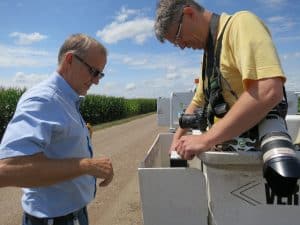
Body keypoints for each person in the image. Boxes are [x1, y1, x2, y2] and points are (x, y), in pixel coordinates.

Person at [0, 33, 114, 225]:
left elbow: (57, 143)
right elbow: (7, 170)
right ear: (70, 60)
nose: (96, 81)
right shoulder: (44, 99)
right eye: (93, 71)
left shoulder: (66, 98)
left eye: (100, 74)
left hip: (73, 214)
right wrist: (86, 165)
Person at [154, 0, 287, 160]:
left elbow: (268, 90)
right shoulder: (209, 56)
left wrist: (205, 139)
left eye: (178, 36)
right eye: (176, 44)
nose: (181, 45)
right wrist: (177, 138)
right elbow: (198, 101)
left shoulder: (241, 24)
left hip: (254, 158)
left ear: (189, 13)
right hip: (229, 155)